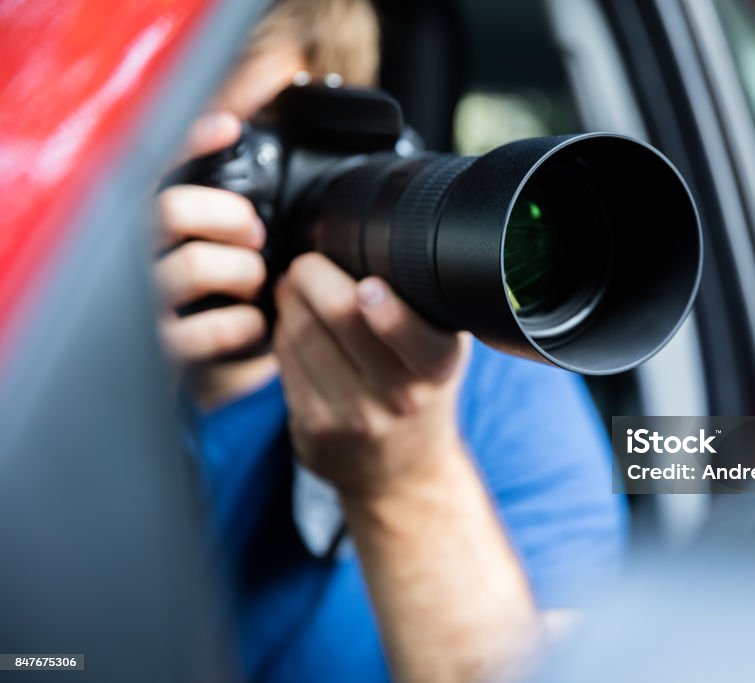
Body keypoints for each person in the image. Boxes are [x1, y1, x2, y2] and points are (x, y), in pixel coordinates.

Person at [155, 1, 627, 681]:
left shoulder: (493, 376)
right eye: (220, 159)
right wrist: (107, 372)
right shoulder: (40, 352)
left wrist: (405, 477)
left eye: (290, 148)